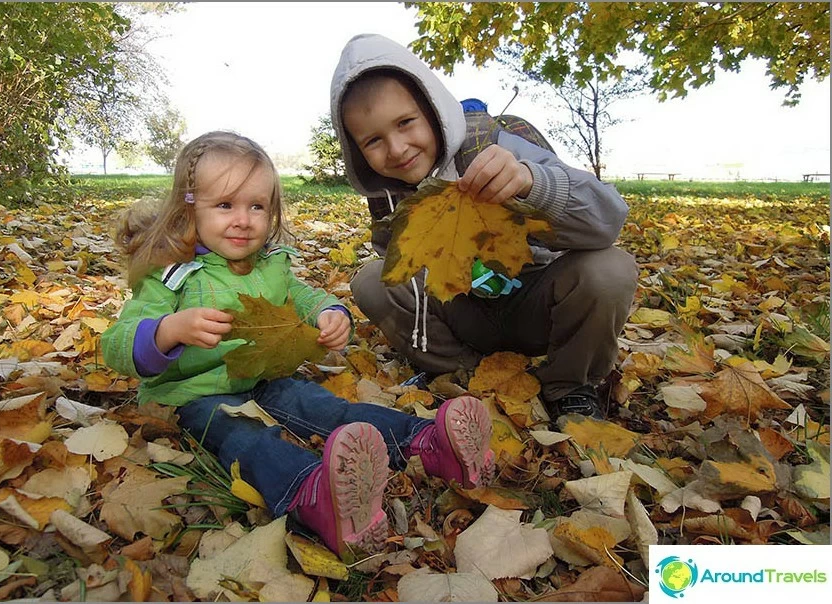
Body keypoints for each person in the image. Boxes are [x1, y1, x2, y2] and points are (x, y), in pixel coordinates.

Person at [101, 130, 495, 559]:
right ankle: (315, 494)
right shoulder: (172, 274)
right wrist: (168, 330)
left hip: (264, 378)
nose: (243, 219)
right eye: (225, 205)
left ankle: (430, 444)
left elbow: (304, 297)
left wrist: (331, 313)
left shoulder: (270, 265)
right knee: (246, 439)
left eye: (257, 206)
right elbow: (117, 343)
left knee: (327, 409)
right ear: (188, 207)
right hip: (195, 395)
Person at [330, 33, 639, 420]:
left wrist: (531, 183)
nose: (396, 149)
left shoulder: (495, 145)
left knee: (609, 270)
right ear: (356, 151)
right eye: (373, 140)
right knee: (374, 279)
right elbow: (406, 281)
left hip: (537, 303)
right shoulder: (389, 197)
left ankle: (569, 384)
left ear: (433, 110)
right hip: (464, 314)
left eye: (406, 123)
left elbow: (607, 220)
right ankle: (468, 374)